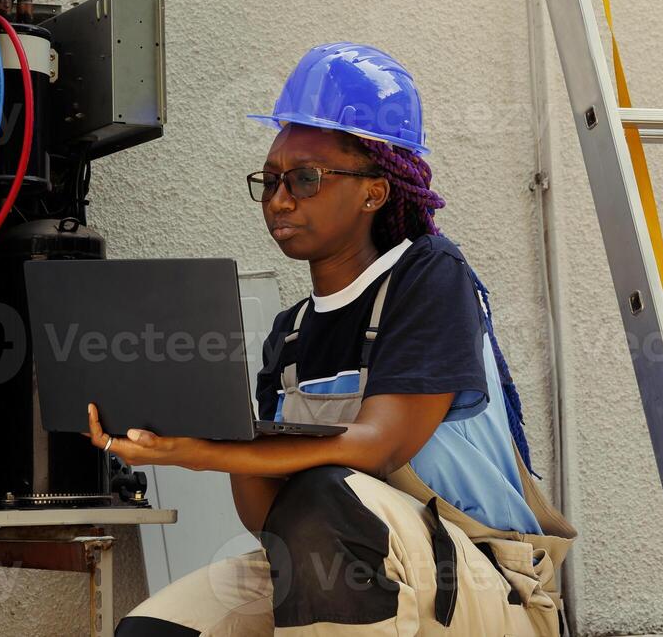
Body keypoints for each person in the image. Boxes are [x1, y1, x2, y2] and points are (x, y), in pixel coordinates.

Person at [88, 42, 575, 636]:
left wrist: (192, 453)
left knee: (327, 497)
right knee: (157, 632)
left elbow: (378, 447)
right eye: (268, 181)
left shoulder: (429, 275)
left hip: (479, 580)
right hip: (337, 562)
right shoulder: (289, 334)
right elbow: (270, 519)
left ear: (375, 190)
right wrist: (202, 423)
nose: (279, 199)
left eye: (305, 179)